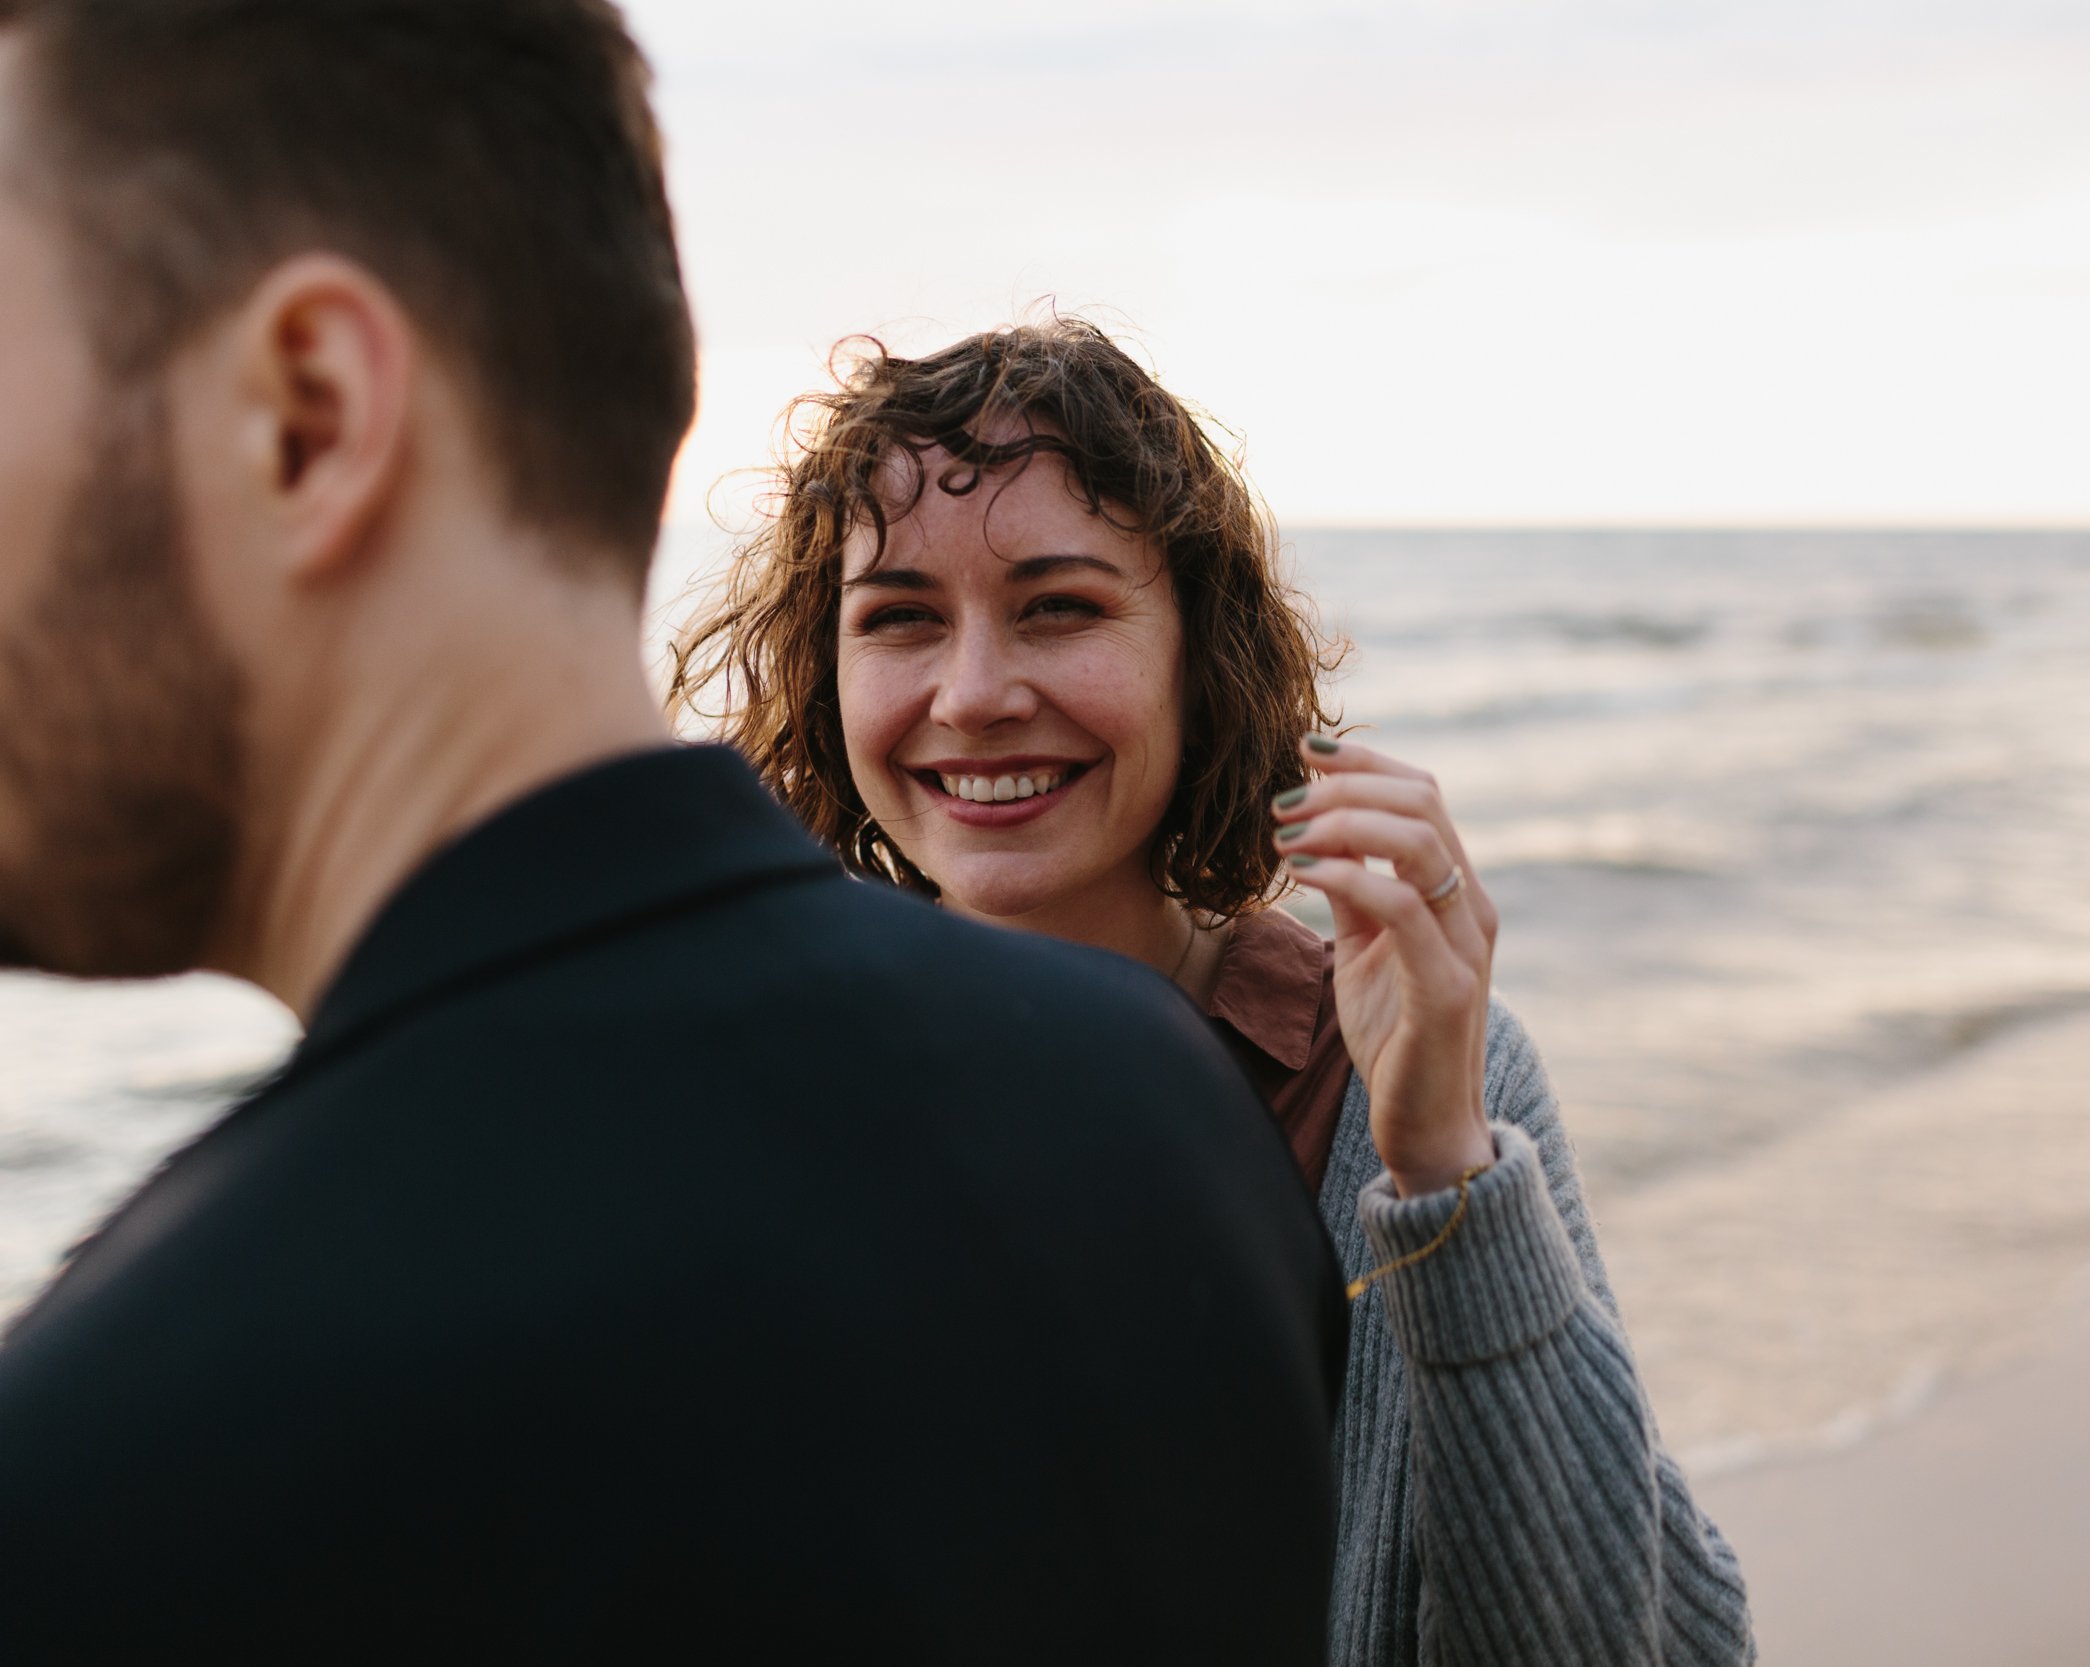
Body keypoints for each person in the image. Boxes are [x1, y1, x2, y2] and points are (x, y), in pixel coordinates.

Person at [0, 4, 1344, 1659]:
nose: (977, 694)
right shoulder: (1153, 1106)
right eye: (902, 619)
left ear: (309, 412)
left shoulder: (116, 1471)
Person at [672, 321, 1758, 1666]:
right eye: (899, 619)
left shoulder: (1376, 1078)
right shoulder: (768, 1081)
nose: (972, 693)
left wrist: (1444, 1172)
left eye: (1059, 606)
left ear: (1201, 653)